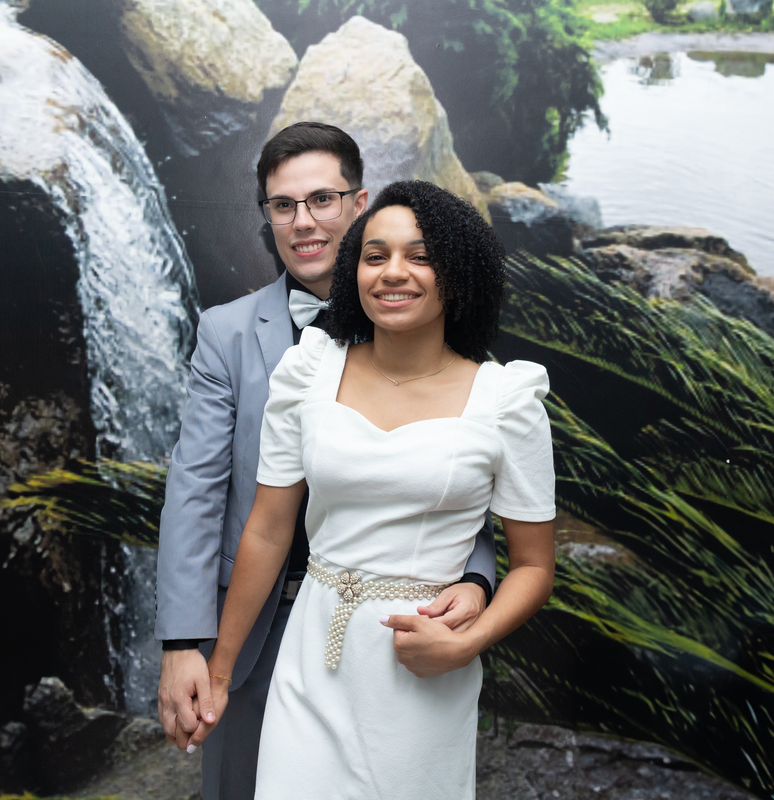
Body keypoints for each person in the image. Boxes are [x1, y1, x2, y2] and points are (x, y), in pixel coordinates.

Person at [154, 123, 498, 800]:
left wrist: (477, 581)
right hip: (252, 628)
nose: (303, 222)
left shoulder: (425, 324)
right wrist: (182, 644)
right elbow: (194, 491)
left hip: (390, 633)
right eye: (283, 205)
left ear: (358, 203)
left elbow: (460, 481)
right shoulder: (226, 333)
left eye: (321, 199)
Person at [201, 180, 557, 798]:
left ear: (457, 276)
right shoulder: (309, 372)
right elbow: (267, 529)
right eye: (375, 256)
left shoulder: (505, 401)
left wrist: (469, 642)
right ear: (353, 272)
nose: (394, 272)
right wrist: (220, 670)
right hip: (312, 657)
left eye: (420, 256)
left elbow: (533, 566)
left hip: (421, 669)